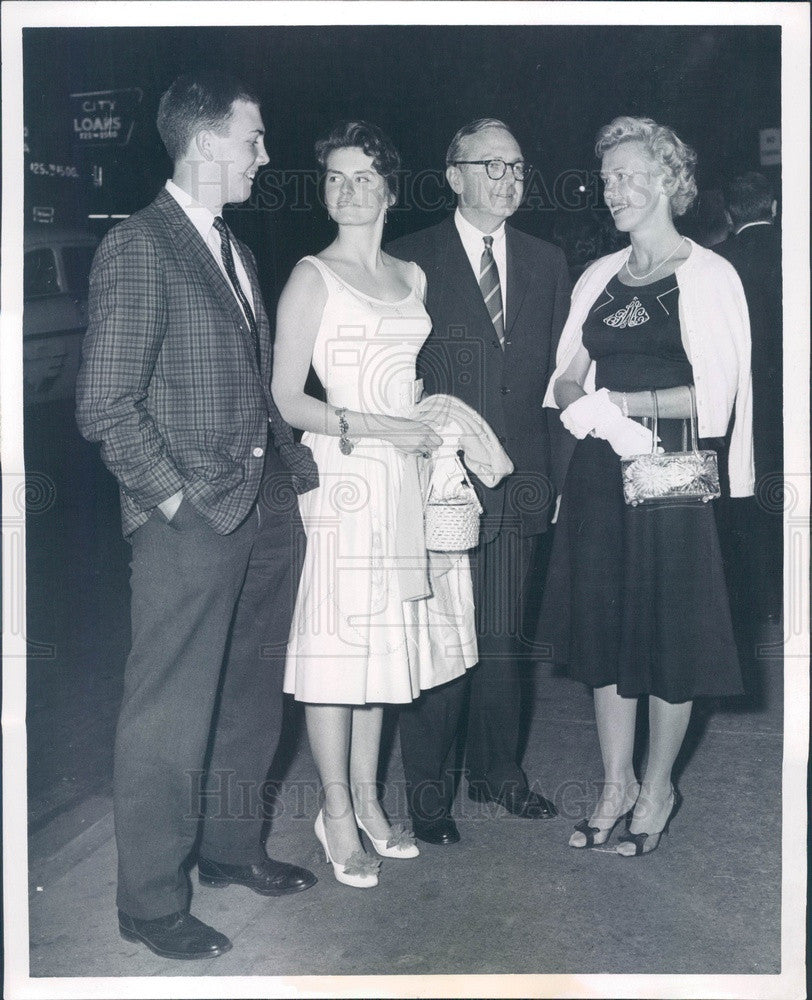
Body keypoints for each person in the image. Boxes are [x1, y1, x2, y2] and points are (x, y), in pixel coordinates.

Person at [75, 72, 319, 960]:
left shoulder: (232, 249)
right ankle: (149, 899)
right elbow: (105, 403)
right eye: (254, 140)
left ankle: (227, 850)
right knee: (170, 711)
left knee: (250, 695)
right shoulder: (142, 246)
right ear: (207, 143)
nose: (265, 155)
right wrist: (175, 501)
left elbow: (254, 388)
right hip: (190, 519)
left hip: (262, 506)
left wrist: (293, 480)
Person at [273, 121, 509, 888]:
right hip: (343, 477)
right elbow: (284, 398)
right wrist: (381, 427)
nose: (347, 191)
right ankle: (335, 812)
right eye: (335, 178)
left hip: (403, 480)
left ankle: (372, 802)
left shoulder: (414, 277)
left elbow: (407, 379)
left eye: (363, 177)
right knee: (337, 653)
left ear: (389, 187)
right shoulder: (312, 275)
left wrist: (428, 428)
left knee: (385, 651)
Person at [541, 116, 753, 856]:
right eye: (607, 179)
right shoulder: (600, 275)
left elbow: (715, 399)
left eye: (631, 175)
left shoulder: (708, 274)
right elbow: (565, 376)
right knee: (602, 629)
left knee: (669, 633)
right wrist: (584, 405)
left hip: (671, 473)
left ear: (669, 180)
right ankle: (614, 784)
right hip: (602, 473)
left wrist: (623, 406)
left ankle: (658, 786)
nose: (615, 190)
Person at [386, 118, 572, 845]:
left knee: (501, 637)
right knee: (438, 643)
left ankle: (501, 774)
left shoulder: (547, 261)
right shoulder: (408, 260)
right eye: (490, 166)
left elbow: (558, 382)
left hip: (520, 479)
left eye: (518, 166)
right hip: (442, 485)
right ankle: (429, 797)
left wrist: (550, 475)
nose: (508, 178)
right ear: (453, 175)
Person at [716, 172, 783, 628]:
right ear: (773, 208)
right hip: (792, 393)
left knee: (751, 494)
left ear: (728, 216)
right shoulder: (796, 249)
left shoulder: (717, 262)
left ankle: (764, 601)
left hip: (744, 398)